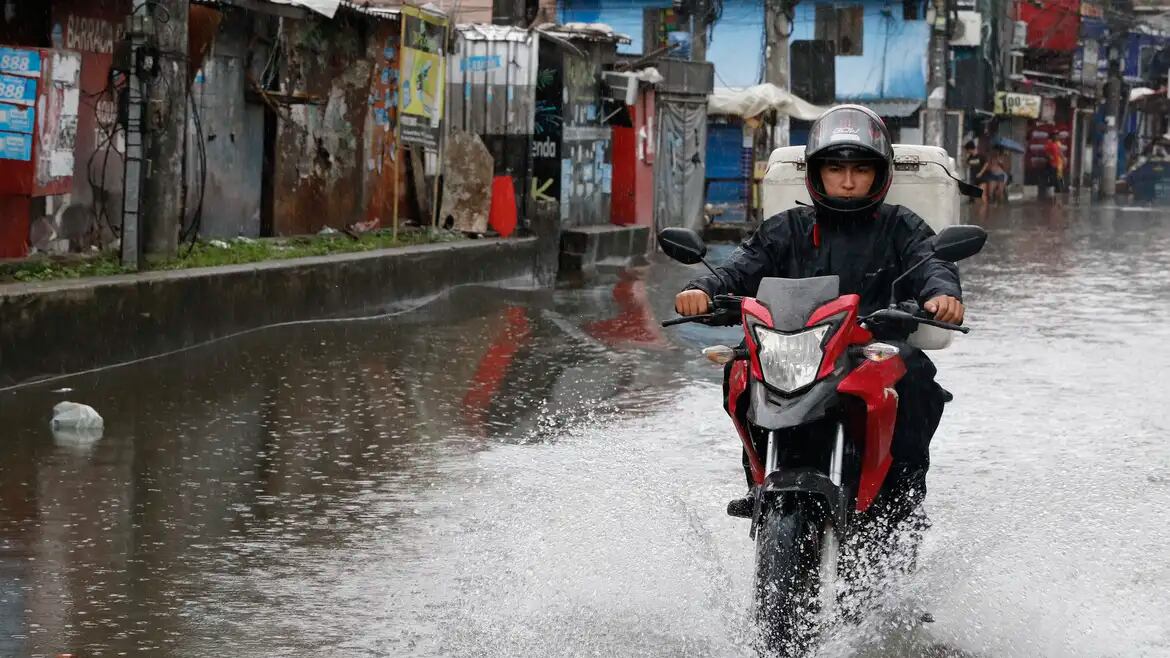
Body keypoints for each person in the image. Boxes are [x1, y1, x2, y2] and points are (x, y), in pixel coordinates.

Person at [674, 105, 964, 520]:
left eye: (861, 170)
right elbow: (738, 269)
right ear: (816, 173)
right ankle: (757, 480)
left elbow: (934, 263)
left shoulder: (901, 225)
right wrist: (700, 289)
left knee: (917, 377)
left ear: (879, 174)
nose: (847, 182)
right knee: (738, 367)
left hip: (868, 350)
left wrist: (941, 297)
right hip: (797, 349)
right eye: (835, 169)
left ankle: (900, 499)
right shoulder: (785, 229)